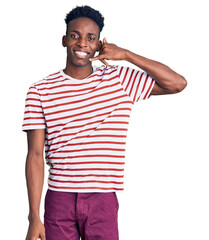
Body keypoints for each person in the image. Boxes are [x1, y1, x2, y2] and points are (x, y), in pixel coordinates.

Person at [22, 5, 187, 240]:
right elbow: (35, 156)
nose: (82, 44)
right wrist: (34, 217)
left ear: (99, 44)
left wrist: (126, 54)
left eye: (91, 38)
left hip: (103, 199)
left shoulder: (119, 79)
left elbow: (177, 83)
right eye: (75, 36)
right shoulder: (40, 90)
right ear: (64, 40)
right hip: (59, 198)